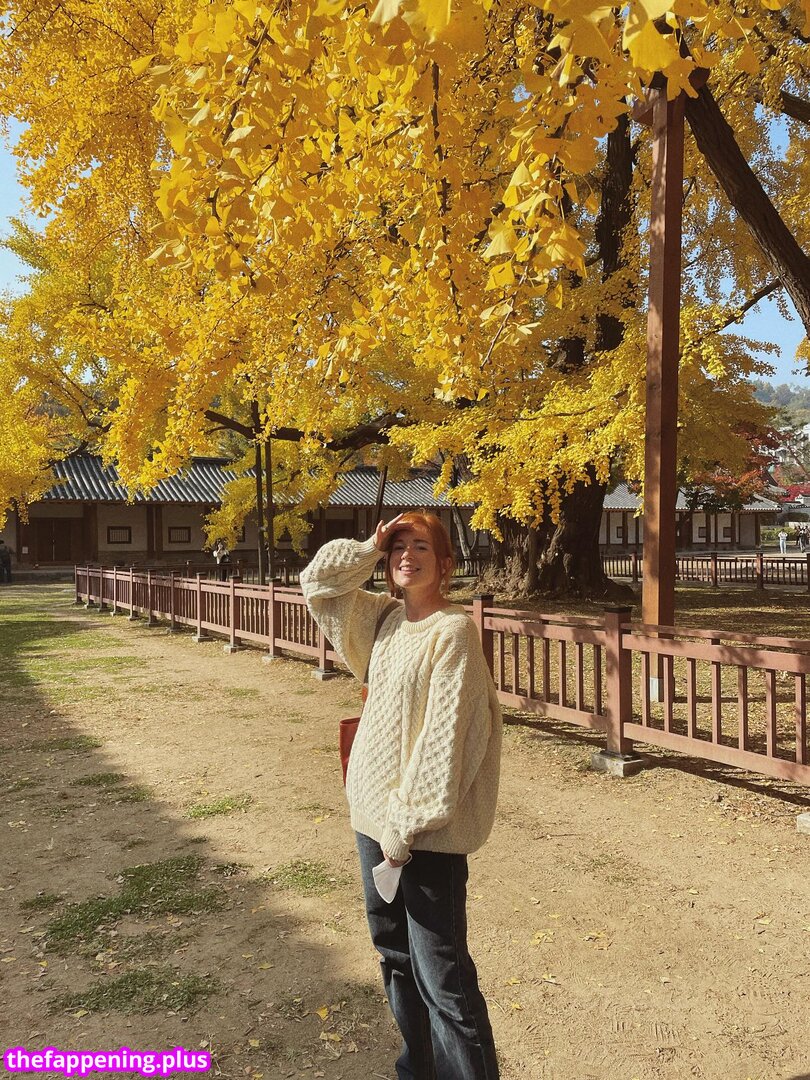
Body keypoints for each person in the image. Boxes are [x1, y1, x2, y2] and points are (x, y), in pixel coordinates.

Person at [300, 511, 502, 1080]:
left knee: (443, 977)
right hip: (370, 817)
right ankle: (419, 1068)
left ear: (446, 563)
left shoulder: (452, 632)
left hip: (422, 835)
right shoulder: (384, 619)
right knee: (394, 956)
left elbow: (447, 740)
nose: (406, 556)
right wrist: (370, 544)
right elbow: (318, 583)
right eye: (399, 548)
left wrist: (406, 825)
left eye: (421, 547)